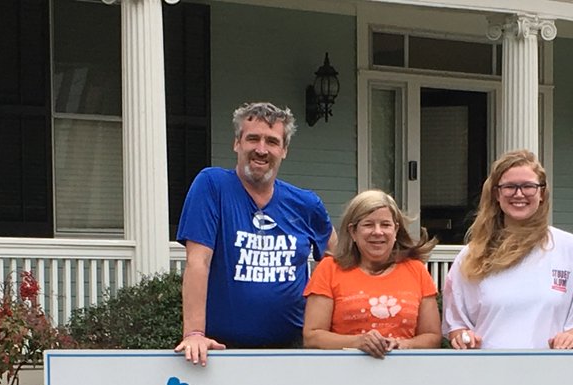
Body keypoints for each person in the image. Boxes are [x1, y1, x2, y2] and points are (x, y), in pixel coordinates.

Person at [175, 101, 335, 363]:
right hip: (223, 350)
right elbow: (198, 261)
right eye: (253, 139)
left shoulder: (306, 204)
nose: (261, 150)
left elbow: (336, 260)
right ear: (237, 143)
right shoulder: (212, 186)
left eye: (272, 141)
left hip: (294, 349)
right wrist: (194, 333)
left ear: (284, 150)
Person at [442, 150, 573, 350]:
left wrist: (570, 338)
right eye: (509, 187)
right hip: (489, 372)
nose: (518, 194)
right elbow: (457, 323)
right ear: (497, 194)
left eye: (528, 186)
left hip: (551, 372)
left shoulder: (570, 249)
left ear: (542, 193)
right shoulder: (472, 256)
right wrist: (463, 337)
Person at [303, 190, 441, 358]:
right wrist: (358, 342)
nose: (378, 232)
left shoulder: (416, 270)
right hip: (343, 373)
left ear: (396, 230)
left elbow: (432, 337)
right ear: (353, 232)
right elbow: (312, 336)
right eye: (368, 225)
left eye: (385, 224)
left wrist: (404, 344)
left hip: (404, 373)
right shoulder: (329, 269)